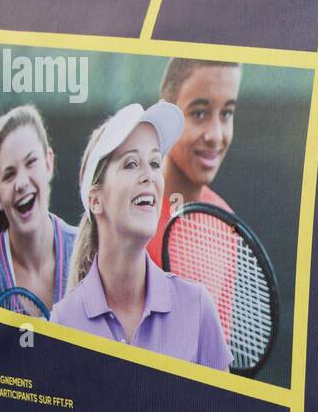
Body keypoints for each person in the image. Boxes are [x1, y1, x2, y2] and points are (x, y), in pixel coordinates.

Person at [52, 102, 231, 371]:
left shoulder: (196, 306)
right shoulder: (63, 322)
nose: (149, 175)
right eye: (131, 163)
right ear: (95, 200)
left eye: (155, 162)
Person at [0, 105, 77, 314]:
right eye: (9, 175)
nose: (21, 183)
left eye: (31, 162)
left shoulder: (83, 250)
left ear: (48, 163)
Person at [147, 58, 241, 268]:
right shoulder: (126, 219)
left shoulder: (226, 224)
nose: (216, 136)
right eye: (199, 113)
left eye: (226, 113)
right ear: (165, 118)